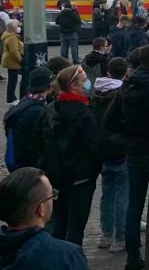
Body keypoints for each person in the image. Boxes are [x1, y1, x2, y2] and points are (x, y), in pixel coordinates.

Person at [103, 43, 149, 270]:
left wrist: (127, 139)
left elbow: (109, 121)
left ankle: (133, 257)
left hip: (135, 152)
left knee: (134, 206)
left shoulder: (126, 86)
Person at [38, 65, 103, 247]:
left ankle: (57, 265)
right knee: (76, 228)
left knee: (59, 224)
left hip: (55, 177)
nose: (87, 84)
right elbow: (96, 145)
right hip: (81, 177)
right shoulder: (85, 112)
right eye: (84, 81)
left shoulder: (50, 109)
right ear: (74, 85)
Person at [89, 57, 129, 254]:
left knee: (107, 193)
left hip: (104, 151)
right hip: (122, 150)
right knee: (122, 194)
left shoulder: (96, 94)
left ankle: (106, 234)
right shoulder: (123, 94)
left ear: (109, 73)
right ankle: (120, 237)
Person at [3, 67, 52, 171]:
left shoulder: (23, 103)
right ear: (48, 86)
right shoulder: (38, 110)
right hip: (31, 164)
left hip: (19, 159)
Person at [1, 19, 25, 104]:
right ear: (13, 28)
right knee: (12, 81)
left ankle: (11, 98)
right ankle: (11, 99)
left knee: (12, 80)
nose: (18, 27)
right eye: (17, 26)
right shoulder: (12, 38)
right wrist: (21, 61)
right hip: (12, 61)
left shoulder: (7, 35)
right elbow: (14, 52)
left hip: (9, 60)